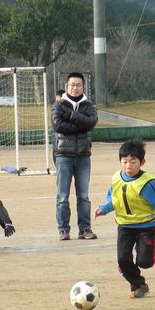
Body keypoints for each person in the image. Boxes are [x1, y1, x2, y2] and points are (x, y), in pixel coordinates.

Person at [94, 139, 155, 298]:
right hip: (125, 226)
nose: (128, 166)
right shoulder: (116, 178)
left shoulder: (147, 183)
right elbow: (114, 200)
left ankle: (140, 261)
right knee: (123, 260)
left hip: (146, 227)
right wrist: (104, 209)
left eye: (133, 162)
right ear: (120, 161)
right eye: (124, 162)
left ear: (142, 162)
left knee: (145, 262)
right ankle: (139, 285)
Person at [52, 72, 98, 241]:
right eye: (72, 84)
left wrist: (72, 116)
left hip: (83, 156)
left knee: (83, 196)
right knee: (63, 196)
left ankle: (85, 228)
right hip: (64, 155)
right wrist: (81, 124)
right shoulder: (59, 105)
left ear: (83, 86)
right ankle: (63, 229)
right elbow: (58, 126)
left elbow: (91, 123)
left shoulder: (89, 105)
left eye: (78, 85)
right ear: (67, 86)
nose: (75, 87)